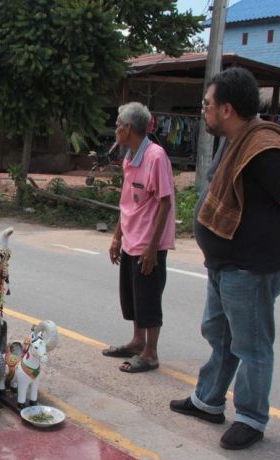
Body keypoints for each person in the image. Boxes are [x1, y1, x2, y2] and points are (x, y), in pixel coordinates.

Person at [169, 67, 280, 450]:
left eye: (208, 104)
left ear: (227, 109)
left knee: (252, 345)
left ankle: (251, 417)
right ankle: (208, 400)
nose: (204, 110)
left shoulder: (265, 150)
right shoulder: (232, 141)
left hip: (252, 269)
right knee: (220, 334)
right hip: (225, 264)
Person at [102, 102, 176, 373]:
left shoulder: (156, 157)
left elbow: (165, 203)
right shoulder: (130, 158)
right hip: (132, 237)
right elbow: (127, 203)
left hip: (149, 241)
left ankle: (150, 353)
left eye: (118, 125)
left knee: (148, 296)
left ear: (128, 128)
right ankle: (137, 341)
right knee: (132, 295)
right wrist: (116, 237)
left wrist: (153, 248)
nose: (116, 130)